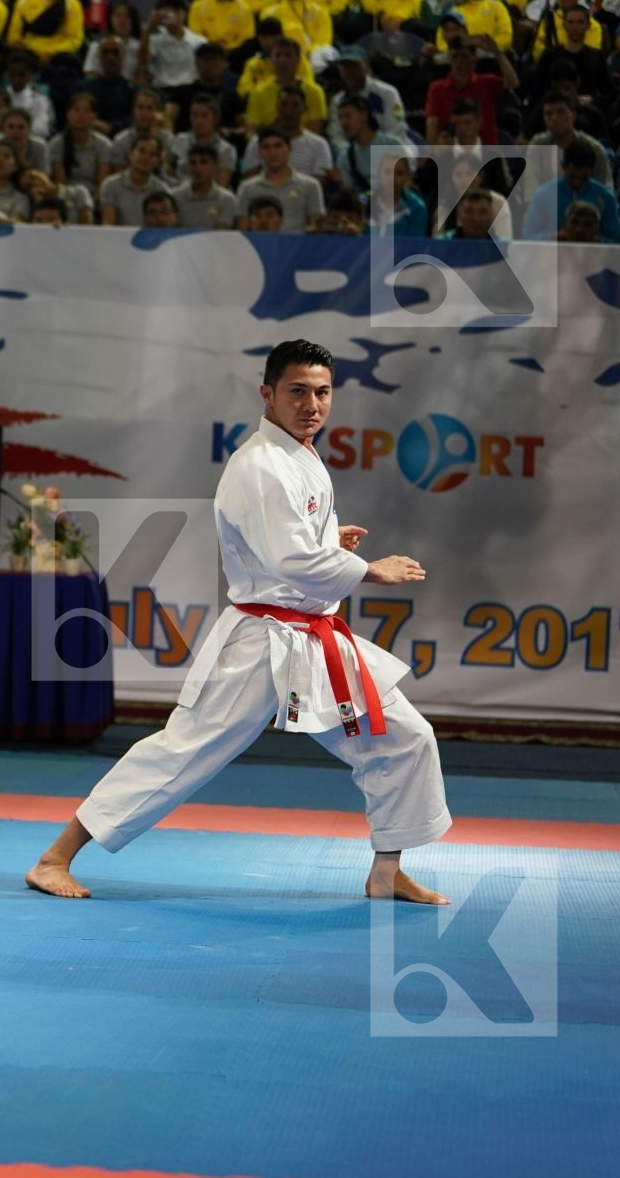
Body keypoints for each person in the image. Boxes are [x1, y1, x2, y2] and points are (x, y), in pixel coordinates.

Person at [25, 339, 452, 905]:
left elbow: (288, 542)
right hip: (261, 642)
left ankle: (387, 871)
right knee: (183, 751)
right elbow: (289, 559)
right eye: (297, 392)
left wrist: (330, 539)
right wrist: (369, 569)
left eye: (322, 392)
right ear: (267, 394)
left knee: (404, 738)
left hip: (311, 638)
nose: (312, 405)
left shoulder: (298, 455)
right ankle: (54, 858)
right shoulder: (260, 465)